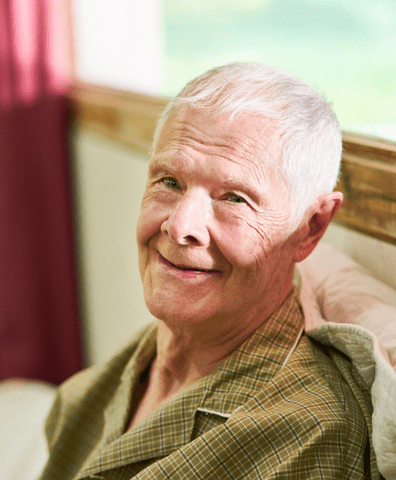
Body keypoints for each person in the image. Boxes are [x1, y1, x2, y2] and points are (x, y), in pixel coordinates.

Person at [40, 62, 377, 479]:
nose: (181, 226)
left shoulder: (309, 436)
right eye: (169, 181)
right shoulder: (91, 392)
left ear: (311, 228)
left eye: (234, 199)